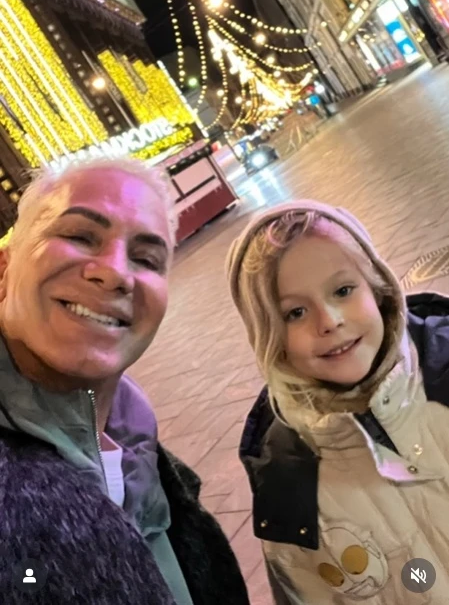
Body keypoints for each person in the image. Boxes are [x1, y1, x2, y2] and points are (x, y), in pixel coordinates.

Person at [0, 156, 250, 605]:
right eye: (79, 236)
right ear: (4, 270)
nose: (116, 272)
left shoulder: (138, 450)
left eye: (146, 259)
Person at [226, 200, 449, 604]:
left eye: (343, 291)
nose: (329, 321)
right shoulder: (286, 484)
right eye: (295, 312)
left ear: (378, 286)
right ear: (268, 336)